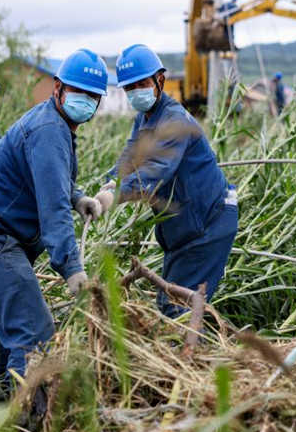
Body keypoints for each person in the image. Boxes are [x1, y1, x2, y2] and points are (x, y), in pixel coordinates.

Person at [0, 49, 107, 386]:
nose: (86, 101)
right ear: (58, 88)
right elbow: (52, 210)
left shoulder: (53, 123)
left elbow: (49, 183)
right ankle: (25, 427)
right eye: (79, 92)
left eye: (93, 96)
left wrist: (77, 198)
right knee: (35, 332)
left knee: (16, 331)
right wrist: (72, 269)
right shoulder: (50, 129)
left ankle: (8, 410)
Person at [93, 44, 238, 318]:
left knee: (178, 311)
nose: (136, 91)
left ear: (160, 79)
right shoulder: (146, 118)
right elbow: (131, 156)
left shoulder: (174, 121)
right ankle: (190, 353)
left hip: (208, 226)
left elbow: (154, 170)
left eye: (141, 83)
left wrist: (117, 195)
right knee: (168, 302)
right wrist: (108, 184)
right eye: (129, 87)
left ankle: (197, 359)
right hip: (183, 229)